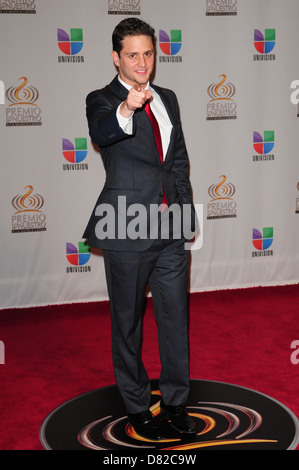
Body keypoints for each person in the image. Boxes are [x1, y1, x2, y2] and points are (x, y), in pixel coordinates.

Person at [83, 17, 197, 441]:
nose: (142, 62)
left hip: (169, 228)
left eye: (148, 53)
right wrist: (127, 107)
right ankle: (136, 404)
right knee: (127, 323)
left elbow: (179, 161)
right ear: (116, 57)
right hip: (126, 226)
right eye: (132, 55)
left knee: (175, 319)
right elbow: (101, 132)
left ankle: (176, 401)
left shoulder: (168, 97)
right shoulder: (102, 99)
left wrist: (184, 215)